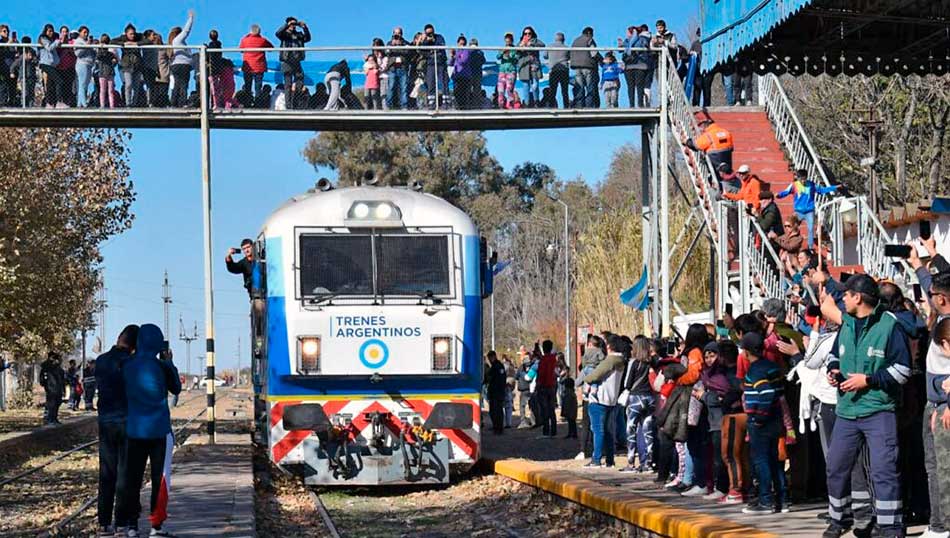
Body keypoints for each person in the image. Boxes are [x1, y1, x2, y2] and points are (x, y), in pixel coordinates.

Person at [822, 275, 911, 538]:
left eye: (846, 295)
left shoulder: (890, 326)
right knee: (836, 466)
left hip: (879, 410)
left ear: (858, 298)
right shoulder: (846, 324)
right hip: (847, 412)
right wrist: (833, 368)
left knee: (884, 469)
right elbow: (834, 353)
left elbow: (902, 370)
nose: (843, 300)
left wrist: (868, 380)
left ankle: (890, 526)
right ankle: (839, 519)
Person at [117, 324, 181, 538]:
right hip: (159, 430)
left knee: (132, 479)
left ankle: (132, 526)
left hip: (135, 430)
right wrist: (169, 361)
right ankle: (156, 526)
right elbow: (176, 389)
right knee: (160, 479)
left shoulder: (126, 365)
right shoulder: (162, 366)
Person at [96, 325, 138, 537]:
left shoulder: (101, 360)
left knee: (106, 472)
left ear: (119, 337)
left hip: (105, 422)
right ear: (134, 346)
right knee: (124, 473)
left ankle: (103, 523)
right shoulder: (132, 363)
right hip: (127, 422)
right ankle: (121, 522)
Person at [740, 332, 785, 514]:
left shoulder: (755, 370)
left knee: (761, 461)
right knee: (775, 460)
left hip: (762, 420)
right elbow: (779, 390)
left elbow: (766, 392)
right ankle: (782, 500)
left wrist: (759, 416)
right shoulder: (772, 366)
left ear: (746, 352)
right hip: (775, 418)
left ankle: (766, 501)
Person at [579, 334, 626, 467]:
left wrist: (586, 379)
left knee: (598, 430)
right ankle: (610, 460)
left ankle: (596, 459)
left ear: (609, 346)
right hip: (612, 400)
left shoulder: (610, 361)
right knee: (609, 431)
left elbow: (594, 376)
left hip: (599, 399)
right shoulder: (621, 360)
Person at [776, 169, 840, 248]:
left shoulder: (811, 185)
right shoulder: (794, 185)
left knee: (810, 228)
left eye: (804, 179)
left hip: (809, 211)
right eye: (801, 179)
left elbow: (821, 190)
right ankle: (788, 242)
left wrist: (834, 187)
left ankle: (810, 247)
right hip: (798, 211)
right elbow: (786, 192)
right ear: (797, 178)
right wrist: (779, 195)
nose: (803, 181)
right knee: (792, 226)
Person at [619, 336, 655, 473]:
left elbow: (627, 383)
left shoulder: (634, 363)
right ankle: (648, 463)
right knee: (648, 432)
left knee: (631, 430)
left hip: (635, 399)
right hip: (650, 399)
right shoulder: (652, 363)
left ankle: (631, 463)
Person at [275, 17, 310, 110]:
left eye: (294, 24)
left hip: (296, 61)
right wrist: (287, 24)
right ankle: (288, 105)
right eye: (291, 24)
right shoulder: (284, 34)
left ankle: (297, 103)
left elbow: (308, 38)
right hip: (286, 61)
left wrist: (304, 27)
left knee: (300, 80)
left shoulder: (299, 35)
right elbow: (277, 33)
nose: (293, 26)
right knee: (288, 84)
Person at [685, 116, 734, 183]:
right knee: (727, 173)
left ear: (706, 126)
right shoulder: (726, 132)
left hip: (714, 157)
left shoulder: (708, 135)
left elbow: (696, 145)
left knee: (715, 175)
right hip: (727, 156)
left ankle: (717, 187)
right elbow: (731, 147)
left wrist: (688, 142)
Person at [112, 23, 148, 108]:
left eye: (133, 33)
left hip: (137, 65)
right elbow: (112, 41)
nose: (133, 35)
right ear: (126, 33)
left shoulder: (139, 36)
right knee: (128, 84)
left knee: (136, 86)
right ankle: (128, 103)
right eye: (131, 34)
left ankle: (134, 104)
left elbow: (148, 41)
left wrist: (136, 44)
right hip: (127, 65)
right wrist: (124, 43)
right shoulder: (122, 38)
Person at [621, 25, 653, 108]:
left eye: (628, 32)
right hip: (634, 66)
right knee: (636, 86)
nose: (627, 34)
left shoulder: (638, 39)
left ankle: (635, 105)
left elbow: (645, 45)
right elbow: (621, 50)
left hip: (635, 65)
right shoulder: (629, 41)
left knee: (634, 86)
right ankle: (637, 105)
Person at [167, 11, 195, 108]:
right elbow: (186, 31)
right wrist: (191, 18)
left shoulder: (172, 43)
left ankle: (174, 103)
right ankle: (182, 103)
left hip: (175, 66)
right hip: (183, 65)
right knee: (183, 85)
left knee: (177, 85)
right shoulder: (178, 40)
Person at [238, 24, 272, 100]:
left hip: (248, 67)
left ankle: (247, 102)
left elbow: (241, 50)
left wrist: (247, 36)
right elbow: (271, 48)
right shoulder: (263, 40)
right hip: (259, 67)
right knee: (258, 87)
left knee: (248, 86)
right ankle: (258, 102)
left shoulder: (244, 40)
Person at [37, 24, 65, 108]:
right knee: (59, 81)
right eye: (49, 31)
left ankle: (49, 103)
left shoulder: (52, 40)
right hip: (45, 64)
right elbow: (49, 47)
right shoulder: (43, 38)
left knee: (50, 84)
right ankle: (59, 101)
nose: (51, 33)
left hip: (52, 65)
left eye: (52, 31)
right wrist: (57, 41)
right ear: (45, 31)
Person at [421, 24, 448, 109]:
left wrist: (433, 41)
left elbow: (442, 46)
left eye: (431, 32)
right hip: (431, 64)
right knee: (430, 83)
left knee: (444, 82)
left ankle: (446, 103)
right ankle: (431, 104)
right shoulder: (425, 40)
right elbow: (422, 51)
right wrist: (426, 41)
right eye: (428, 33)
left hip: (440, 63)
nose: (430, 34)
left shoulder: (439, 37)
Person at [570, 27, 598, 109]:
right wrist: (601, 60)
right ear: (589, 33)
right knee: (589, 86)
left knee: (579, 86)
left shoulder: (575, 41)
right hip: (587, 65)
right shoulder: (589, 40)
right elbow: (594, 53)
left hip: (576, 66)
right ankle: (589, 105)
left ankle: (579, 104)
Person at [535, 340, 559, 438]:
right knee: (551, 409)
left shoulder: (543, 360)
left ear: (544, 349)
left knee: (544, 410)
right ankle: (553, 430)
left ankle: (546, 430)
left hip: (544, 386)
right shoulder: (554, 359)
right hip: (552, 385)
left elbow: (541, 374)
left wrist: (538, 384)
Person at [516, 26, 543, 107]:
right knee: (525, 86)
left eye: (529, 33)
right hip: (524, 67)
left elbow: (542, 45)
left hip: (534, 66)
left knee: (535, 86)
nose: (527, 35)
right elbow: (516, 52)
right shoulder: (520, 42)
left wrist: (532, 44)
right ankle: (526, 104)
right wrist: (521, 47)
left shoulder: (535, 41)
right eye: (525, 33)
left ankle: (536, 102)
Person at [385, 27, 409, 110]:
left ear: (401, 34)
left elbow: (407, 51)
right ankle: (389, 106)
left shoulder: (405, 43)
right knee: (391, 87)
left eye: (398, 33)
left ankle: (404, 106)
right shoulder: (389, 43)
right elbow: (387, 52)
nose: (397, 35)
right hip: (392, 68)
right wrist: (393, 45)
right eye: (395, 33)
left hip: (402, 68)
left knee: (404, 88)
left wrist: (399, 45)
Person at [543, 32, 569, 108]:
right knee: (564, 91)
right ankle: (566, 106)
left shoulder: (550, 46)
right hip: (564, 70)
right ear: (563, 39)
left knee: (553, 90)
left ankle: (551, 106)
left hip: (553, 70)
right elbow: (569, 57)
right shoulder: (566, 48)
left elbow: (545, 56)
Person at [11, 37, 38, 107]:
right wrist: (12, 72)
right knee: (25, 92)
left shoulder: (32, 51)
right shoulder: (20, 52)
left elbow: (36, 62)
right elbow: (14, 64)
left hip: (31, 76)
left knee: (31, 93)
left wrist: (32, 58)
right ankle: (23, 105)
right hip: (23, 76)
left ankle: (30, 106)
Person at [39, 351, 65, 425]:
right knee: (52, 404)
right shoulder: (47, 367)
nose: (59, 361)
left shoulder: (58, 368)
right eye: (57, 359)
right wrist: (45, 385)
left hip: (58, 388)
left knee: (57, 403)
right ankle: (50, 419)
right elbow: (43, 378)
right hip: (51, 388)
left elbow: (62, 379)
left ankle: (54, 418)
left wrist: (63, 389)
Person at [73, 26, 95, 107]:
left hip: (89, 65)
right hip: (82, 64)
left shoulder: (86, 42)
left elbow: (93, 54)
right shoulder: (78, 41)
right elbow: (77, 53)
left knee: (85, 84)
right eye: (84, 32)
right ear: (80, 33)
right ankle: (84, 103)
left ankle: (80, 103)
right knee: (82, 84)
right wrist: (87, 46)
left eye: (87, 33)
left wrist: (92, 46)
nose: (86, 34)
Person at [486, 351, 507, 434]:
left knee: (497, 411)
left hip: (497, 392)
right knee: (494, 411)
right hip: (494, 392)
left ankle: (498, 428)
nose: (489, 360)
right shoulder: (494, 366)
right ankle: (496, 426)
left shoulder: (498, 366)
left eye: (490, 358)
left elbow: (501, 380)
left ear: (493, 357)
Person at [495, 32, 517, 109]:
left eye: (509, 39)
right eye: (506, 39)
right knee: (500, 91)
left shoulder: (515, 49)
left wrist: (510, 55)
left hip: (510, 71)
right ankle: (501, 106)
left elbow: (516, 59)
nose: (508, 41)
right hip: (502, 72)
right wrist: (502, 52)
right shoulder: (502, 49)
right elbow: (497, 56)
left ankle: (510, 105)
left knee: (509, 89)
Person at [96, 35, 118, 108]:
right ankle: (102, 105)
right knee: (103, 90)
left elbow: (115, 62)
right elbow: (98, 56)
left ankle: (112, 106)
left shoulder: (111, 54)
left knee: (110, 91)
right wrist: (100, 48)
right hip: (102, 74)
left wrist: (114, 61)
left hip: (110, 73)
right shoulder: (99, 53)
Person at [515, 353, 534, 428]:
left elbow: (516, 376)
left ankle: (523, 421)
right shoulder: (532, 367)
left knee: (522, 407)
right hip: (531, 389)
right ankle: (533, 421)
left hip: (523, 389)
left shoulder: (520, 368)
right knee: (531, 406)